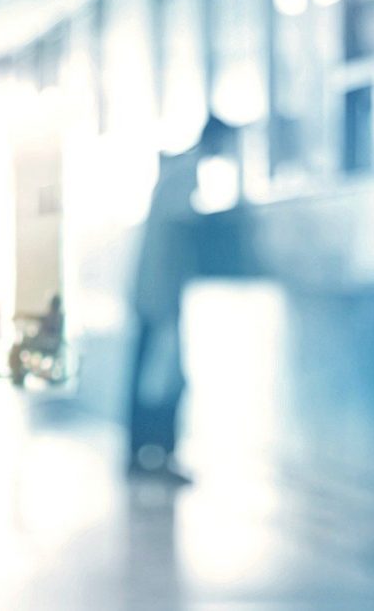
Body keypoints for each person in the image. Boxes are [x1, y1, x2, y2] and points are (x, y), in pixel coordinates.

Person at [126, 114, 237, 484]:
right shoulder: (186, 172)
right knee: (164, 378)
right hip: (161, 294)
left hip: (152, 290)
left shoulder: (176, 168)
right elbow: (183, 222)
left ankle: (143, 455)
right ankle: (158, 455)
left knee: (148, 374)